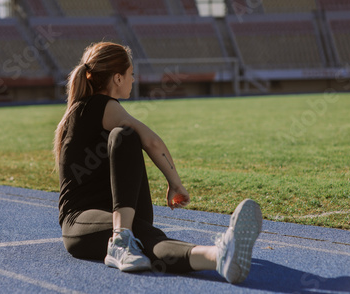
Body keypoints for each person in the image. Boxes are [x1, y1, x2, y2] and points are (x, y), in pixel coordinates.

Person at [54, 42, 263, 284]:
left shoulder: (101, 110)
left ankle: (220, 257)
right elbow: (152, 141)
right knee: (126, 136)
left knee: (126, 138)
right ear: (118, 78)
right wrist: (176, 184)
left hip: (122, 211)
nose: (134, 80)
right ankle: (217, 255)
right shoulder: (94, 107)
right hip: (80, 222)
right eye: (131, 74)